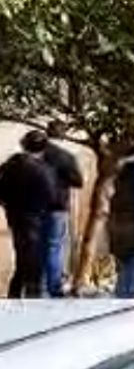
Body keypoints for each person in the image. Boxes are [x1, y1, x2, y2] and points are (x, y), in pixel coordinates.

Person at [0, 136, 56, 298]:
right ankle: (32, 292)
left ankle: (16, 291)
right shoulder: (44, 169)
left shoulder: (8, 166)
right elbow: (52, 196)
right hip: (36, 217)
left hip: (15, 217)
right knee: (33, 256)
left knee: (22, 253)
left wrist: (7, 205)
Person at [40, 122, 83, 297]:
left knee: (39, 247)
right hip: (57, 207)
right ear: (63, 135)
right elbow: (78, 181)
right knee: (54, 247)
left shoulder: (36, 154)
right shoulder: (65, 156)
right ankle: (53, 287)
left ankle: (38, 287)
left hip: (35, 209)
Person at [108, 157, 134, 298]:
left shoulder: (118, 191)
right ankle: (130, 298)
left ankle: (121, 297)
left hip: (119, 234)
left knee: (124, 270)